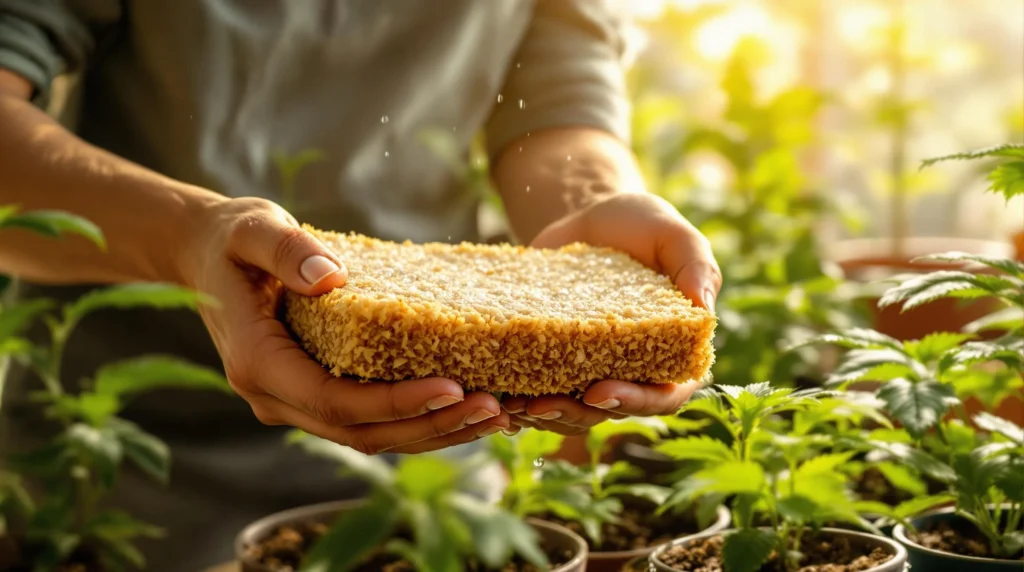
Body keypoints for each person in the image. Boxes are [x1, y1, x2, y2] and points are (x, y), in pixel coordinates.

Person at [0, 1, 721, 569]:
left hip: (434, 467)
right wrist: (189, 238)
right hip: (121, 463)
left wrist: (591, 225)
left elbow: (556, 107)